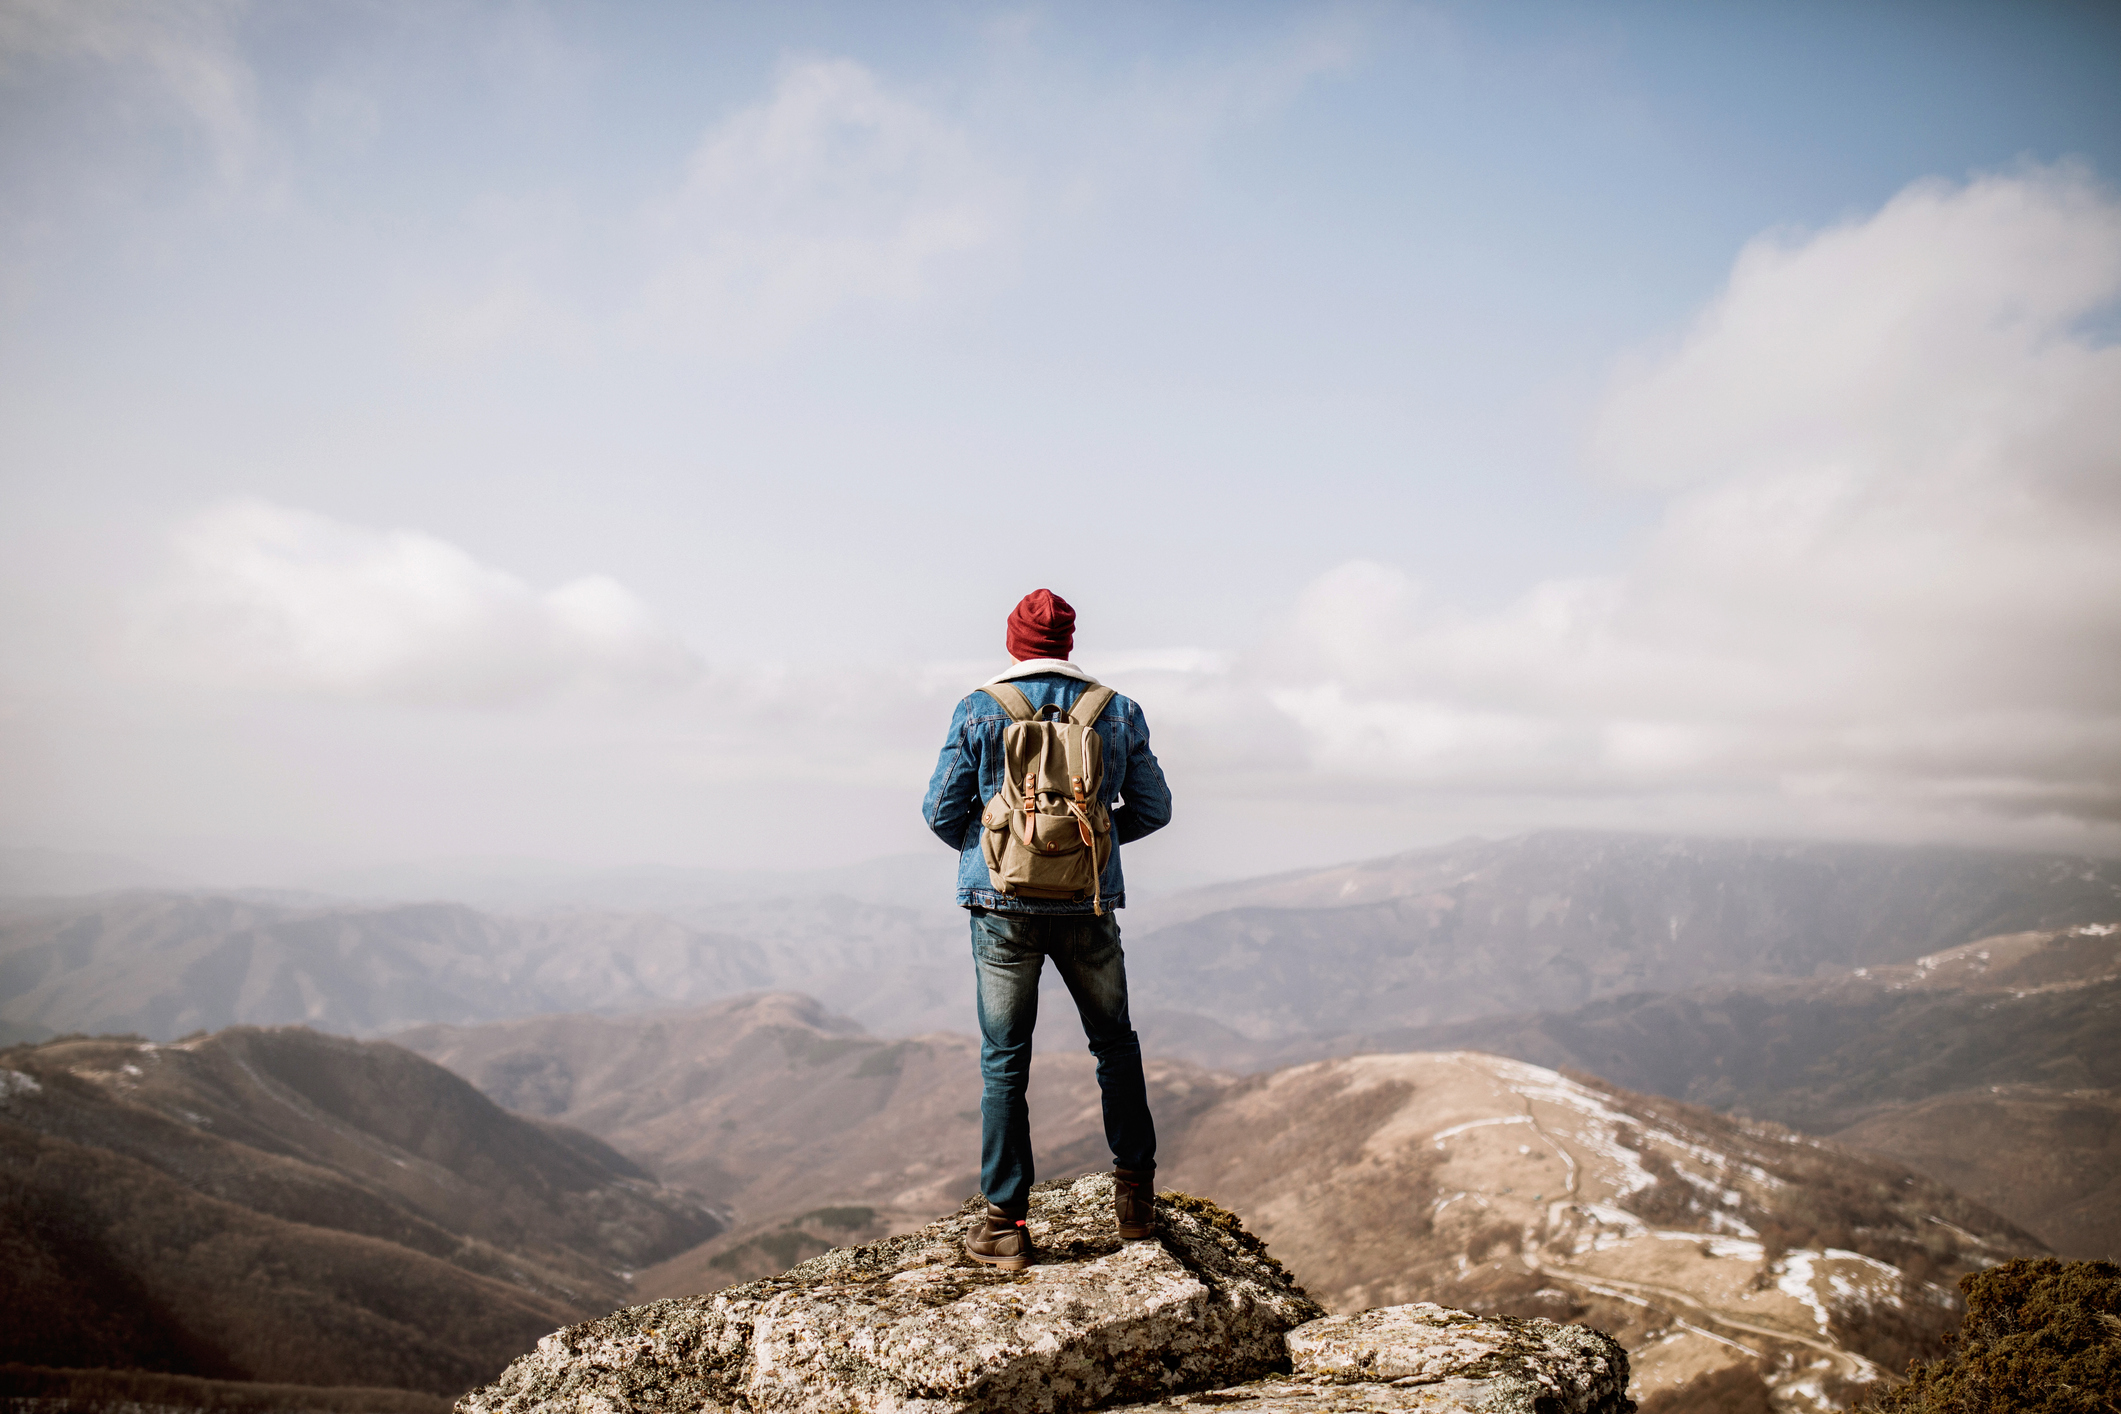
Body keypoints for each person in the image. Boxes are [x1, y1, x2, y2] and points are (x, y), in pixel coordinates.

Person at [920, 588, 1174, 1270]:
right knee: (1113, 1046)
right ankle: (1135, 1205)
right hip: (1087, 904)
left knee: (1005, 1059)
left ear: (1013, 641)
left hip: (1001, 907)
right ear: (1066, 642)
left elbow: (940, 810)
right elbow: (1153, 808)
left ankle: (1005, 1224)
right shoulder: (1115, 711)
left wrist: (1000, 850)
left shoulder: (978, 708)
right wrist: (1083, 849)